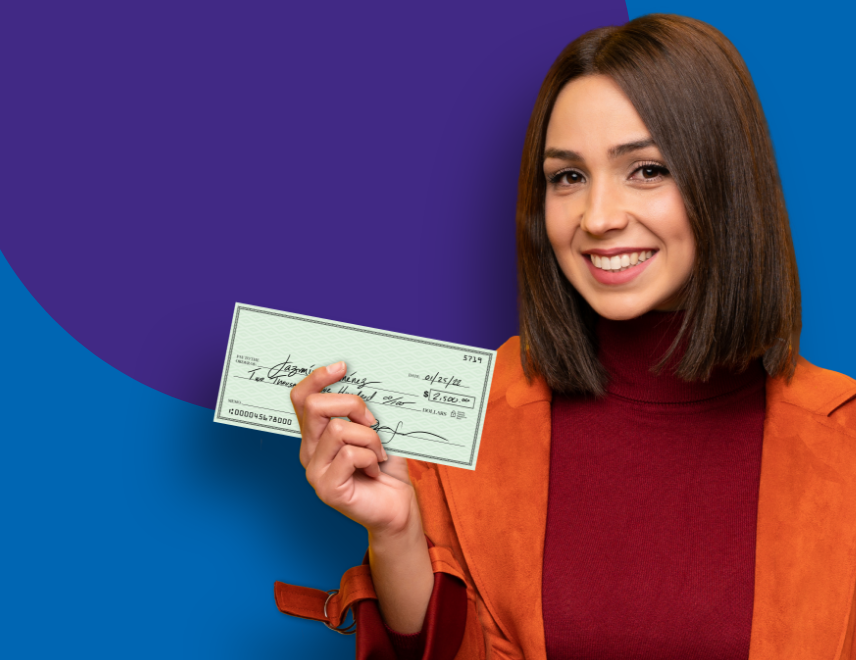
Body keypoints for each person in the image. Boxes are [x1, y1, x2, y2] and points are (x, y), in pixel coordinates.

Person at [273, 13, 856, 660]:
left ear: (727, 181)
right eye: (567, 177)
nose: (598, 218)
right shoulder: (478, 424)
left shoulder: (843, 440)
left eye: (648, 170)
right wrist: (399, 538)